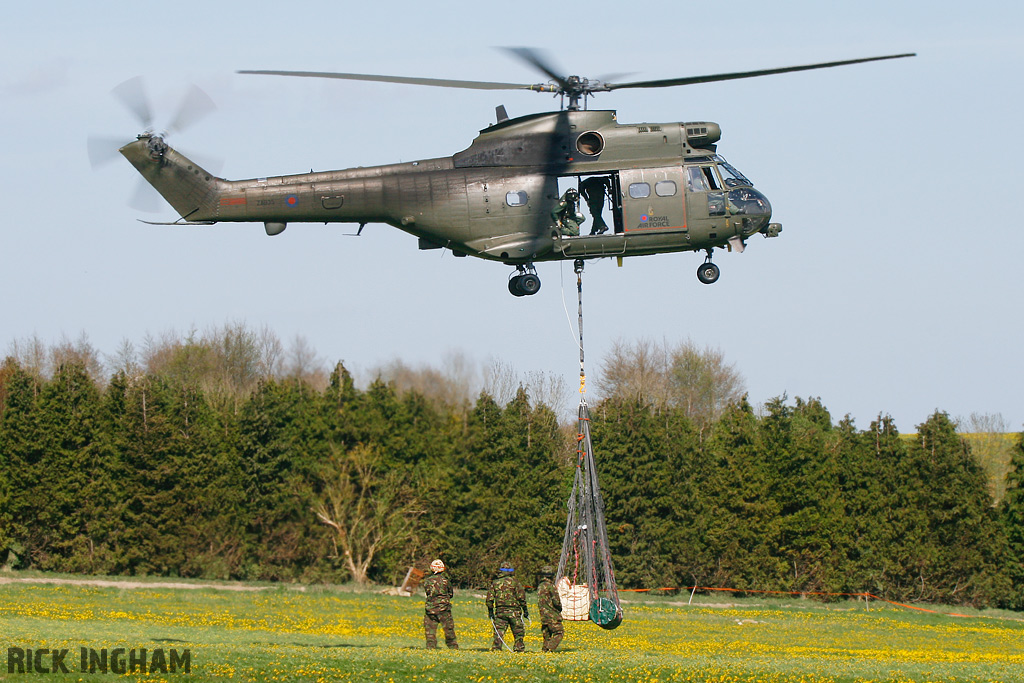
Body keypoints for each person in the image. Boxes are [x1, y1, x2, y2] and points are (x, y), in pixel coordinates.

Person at [486, 561, 528, 652]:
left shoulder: (495, 583)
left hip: (500, 611)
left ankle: (496, 648)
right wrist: (525, 610)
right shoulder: (516, 583)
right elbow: (522, 598)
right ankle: (519, 649)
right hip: (514, 612)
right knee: (518, 632)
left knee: (499, 632)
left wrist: (490, 611)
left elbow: (489, 599)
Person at [422, 559, 459, 650]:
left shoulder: (427, 581)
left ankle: (430, 647)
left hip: (430, 609)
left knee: (430, 630)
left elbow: (427, 592)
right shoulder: (445, 581)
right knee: (448, 629)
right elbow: (450, 594)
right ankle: (453, 647)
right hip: (444, 609)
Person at [536, 565, 564, 652]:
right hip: (552, 614)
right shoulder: (551, 586)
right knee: (559, 632)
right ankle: (549, 648)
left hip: (543, 614)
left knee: (547, 634)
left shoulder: (540, 586)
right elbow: (556, 602)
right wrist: (560, 608)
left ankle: (545, 650)